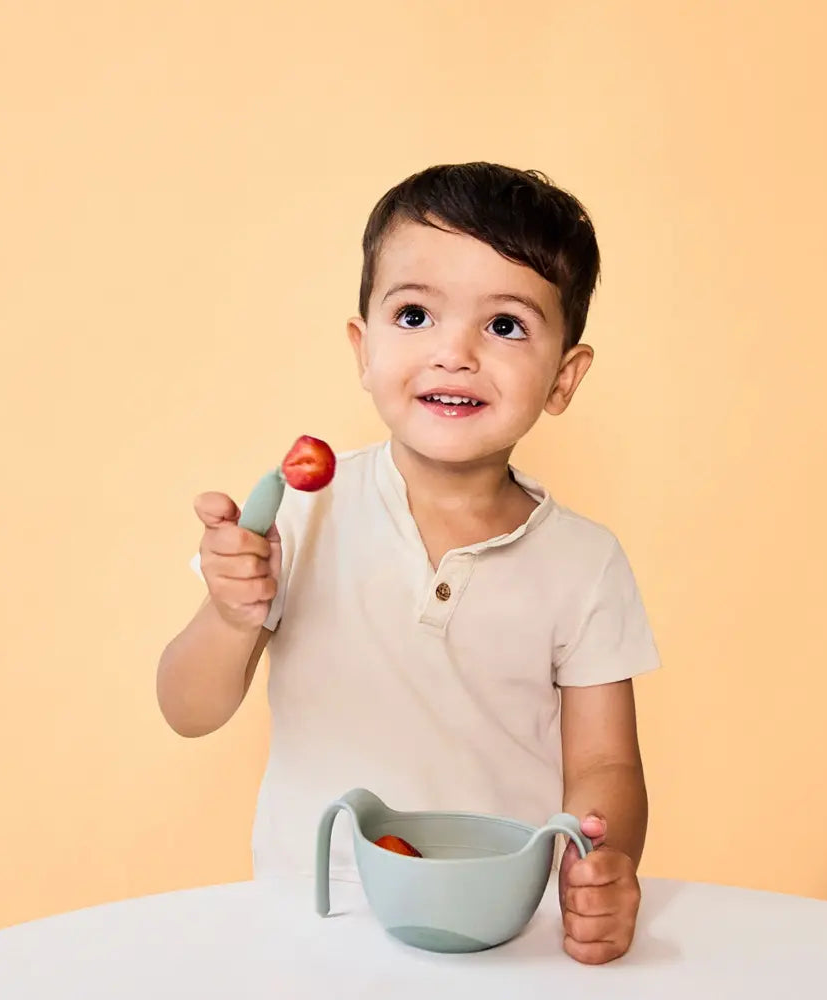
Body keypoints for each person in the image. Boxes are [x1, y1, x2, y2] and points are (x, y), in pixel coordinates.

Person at [156, 162, 661, 964]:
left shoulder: (586, 562)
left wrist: (602, 864)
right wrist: (228, 611)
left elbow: (604, 762)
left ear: (563, 377)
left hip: (505, 926)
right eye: (416, 314)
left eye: (504, 326)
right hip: (313, 915)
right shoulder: (300, 512)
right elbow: (188, 708)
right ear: (363, 349)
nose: (454, 352)